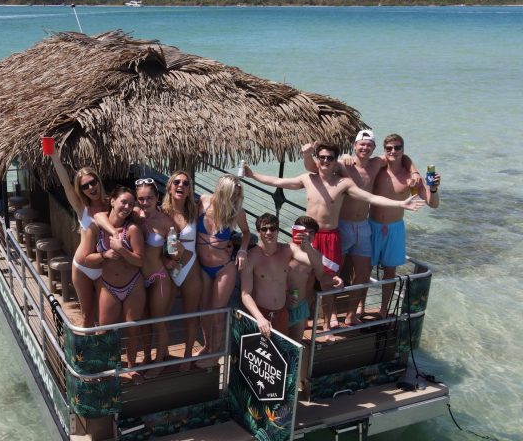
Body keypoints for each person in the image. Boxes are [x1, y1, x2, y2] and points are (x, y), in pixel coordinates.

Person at [243, 144, 424, 333]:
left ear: (335, 160)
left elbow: (369, 197)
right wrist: (253, 175)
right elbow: (278, 182)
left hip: (331, 237)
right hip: (307, 236)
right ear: (317, 159)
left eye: (330, 158)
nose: (325, 161)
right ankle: (303, 320)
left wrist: (401, 203)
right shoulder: (308, 179)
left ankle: (328, 324)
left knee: (327, 282)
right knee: (303, 278)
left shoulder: (343, 183)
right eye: (322, 157)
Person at [304, 130, 420, 325]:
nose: (364, 147)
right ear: (355, 146)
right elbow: (314, 168)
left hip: (364, 226)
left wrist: (415, 171)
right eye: (361, 144)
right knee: (333, 272)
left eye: (368, 144)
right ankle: (330, 315)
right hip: (342, 225)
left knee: (363, 274)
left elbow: (401, 155)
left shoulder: (377, 163)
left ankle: (351, 314)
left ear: (374, 148)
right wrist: (307, 155)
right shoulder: (342, 164)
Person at [370, 134, 440, 318]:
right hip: (372, 225)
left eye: (398, 147)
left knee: (390, 272)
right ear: (384, 150)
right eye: (389, 148)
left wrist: (433, 188)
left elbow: (433, 203)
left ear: (403, 149)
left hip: (395, 229)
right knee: (361, 269)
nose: (393, 151)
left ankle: (383, 310)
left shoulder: (411, 178)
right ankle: (359, 307)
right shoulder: (378, 168)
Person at [83, 187, 146, 384]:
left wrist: (121, 250)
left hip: (133, 285)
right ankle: (105, 366)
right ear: (112, 201)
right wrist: (104, 255)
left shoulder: (132, 230)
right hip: (109, 286)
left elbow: (140, 261)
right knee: (104, 329)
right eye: (123, 202)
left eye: (131, 204)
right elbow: (86, 258)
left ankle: (131, 367)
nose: (127, 207)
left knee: (132, 329)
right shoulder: (96, 228)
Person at [195, 174, 251, 367]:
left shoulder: (237, 212)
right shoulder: (203, 201)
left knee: (218, 312)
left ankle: (216, 351)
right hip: (202, 267)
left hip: (224, 268)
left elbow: (246, 233)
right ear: (221, 191)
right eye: (232, 194)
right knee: (204, 310)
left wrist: (242, 250)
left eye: (237, 195)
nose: (235, 198)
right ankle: (209, 345)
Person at [51, 153, 107, 328]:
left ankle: (103, 349)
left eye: (93, 182)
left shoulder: (112, 204)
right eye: (85, 186)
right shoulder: (81, 208)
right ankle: (88, 354)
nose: (91, 187)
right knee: (87, 315)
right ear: (81, 190)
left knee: (104, 314)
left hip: (104, 267)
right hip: (82, 268)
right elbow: (66, 185)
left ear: (99, 182)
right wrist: (54, 157)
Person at [132, 178, 177, 378]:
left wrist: (169, 259)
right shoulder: (133, 216)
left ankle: (160, 361)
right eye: (141, 198)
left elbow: (177, 249)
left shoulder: (166, 221)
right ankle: (147, 357)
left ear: (157, 197)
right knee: (142, 321)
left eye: (149, 198)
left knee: (159, 321)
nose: (145, 202)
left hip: (158, 278)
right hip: (138, 279)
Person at [161, 170, 202, 372]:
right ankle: (163, 354)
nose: (181, 185)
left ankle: (187, 355)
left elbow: (218, 203)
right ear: (169, 187)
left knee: (190, 315)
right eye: (176, 182)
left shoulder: (195, 211)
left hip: (190, 266)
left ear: (189, 190)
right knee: (163, 315)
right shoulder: (160, 212)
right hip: (167, 266)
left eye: (186, 183)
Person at [287, 216, 343, 343]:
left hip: (300, 307)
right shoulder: (285, 251)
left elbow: (321, 276)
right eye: (304, 231)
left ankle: (326, 326)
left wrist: (335, 279)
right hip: (283, 305)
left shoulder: (315, 255)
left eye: (311, 232)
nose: (307, 234)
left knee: (295, 345)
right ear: (295, 231)